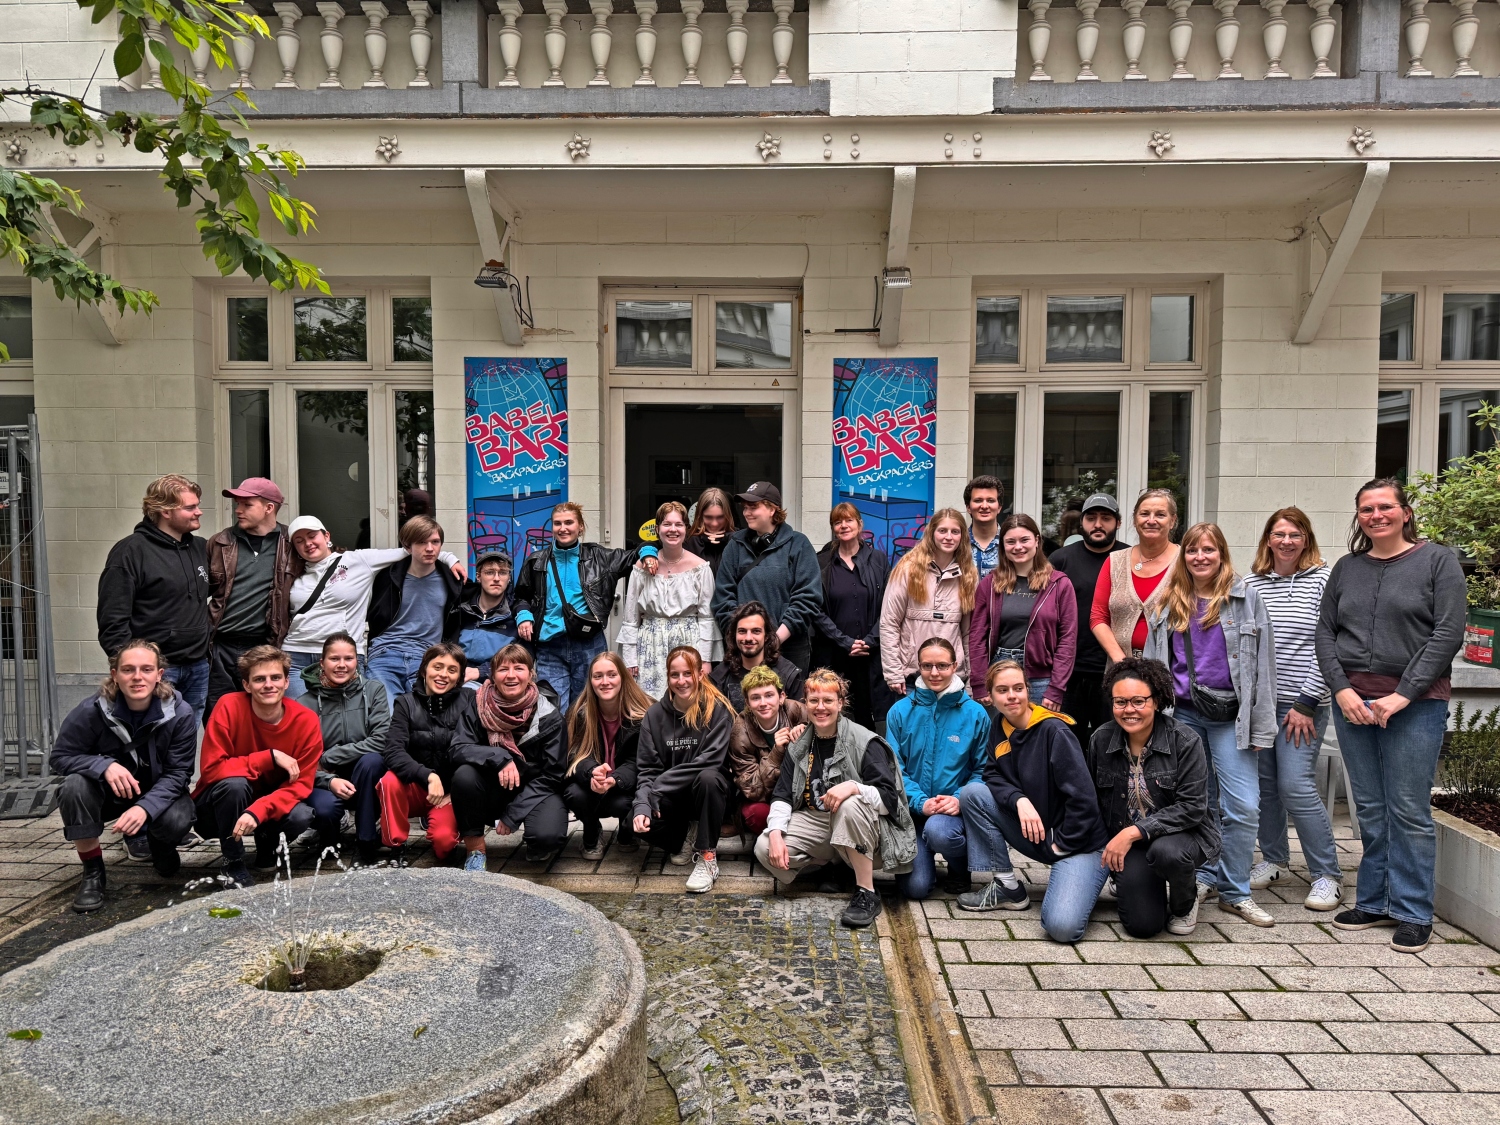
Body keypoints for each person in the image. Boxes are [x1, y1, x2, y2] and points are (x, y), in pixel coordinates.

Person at [1316, 478, 1467, 954]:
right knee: (1372, 808)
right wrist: (1341, 691)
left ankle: (1413, 910)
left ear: (1405, 512)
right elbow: (1325, 634)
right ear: (1358, 516)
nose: (1375, 515)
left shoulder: (1438, 561)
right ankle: (1376, 900)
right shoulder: (1347, 568)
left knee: (1409, 809)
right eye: (1366, 508)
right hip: (1354, 705)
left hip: (1415, 705)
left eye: (1385, 507)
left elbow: (1447, 634)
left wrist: (1402, 695)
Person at [1143, 522, 1278, 927]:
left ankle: (1234, 891)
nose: (1200, 557)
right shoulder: (1169, 600)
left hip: (1231, 717)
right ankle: (1202, 876)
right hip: (1181, 716)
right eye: (1192, 550)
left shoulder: (1245, 597)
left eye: (1209, 550)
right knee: (1199, 806)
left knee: (1242, 806)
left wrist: (1260, 725)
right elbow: (1154, 664)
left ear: (1221, 553)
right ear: (1183, 556)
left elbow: (1264, 667)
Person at [955, 662, 1109, 943]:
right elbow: (991, 773)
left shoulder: (1054, 731)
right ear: (990, 695)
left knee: (1062, 928)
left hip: (1079, 843)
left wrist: (1061, 843)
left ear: (1028, 690)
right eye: (1002, 690)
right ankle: (1007, 887)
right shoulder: (999, 725)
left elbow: (1085, 802)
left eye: (1018, 688)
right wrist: (1019, 800)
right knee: (973, 794)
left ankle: (1095, 876)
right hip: (1039, 831)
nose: (1011, 696)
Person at [755, 668, 917, 929]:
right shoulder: (800, 743)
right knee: (763, 847)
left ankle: (866, 892)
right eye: (814, 701)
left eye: (828, 701)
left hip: (868, 831)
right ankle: (833, 863)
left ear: (840, 703)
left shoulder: (864, 741)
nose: (821, 707)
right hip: (818, 822)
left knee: (849, 804)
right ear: (804, 704)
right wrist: (775, 833)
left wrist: (853, 787)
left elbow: (890, 801)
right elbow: (783, 793)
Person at [1244, 507, 1343, 911]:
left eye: (1295, 534)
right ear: (1268, 538)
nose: (1286, 541)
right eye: (1279, 534)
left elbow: (1331, 644)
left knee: (1296, 785)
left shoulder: (1323, 580)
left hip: (1303, 703)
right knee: (1266, 786)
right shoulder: (1251, 584)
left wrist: (1307, 701)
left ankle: (1327, 874)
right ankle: (1273, 859)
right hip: (1262, 704)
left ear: (1306, 539)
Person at [51, 640, 197, 912]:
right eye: (128, 670)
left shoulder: (180, 713)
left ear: (159, 675)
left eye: (146, 669)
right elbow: (60, 758)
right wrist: (102, 765)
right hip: (109, 793)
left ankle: (160, 845)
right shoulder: (90, 710)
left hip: (158, 791)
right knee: (73, 787)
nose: (138, 677)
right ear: (115, 675)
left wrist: (145, 808)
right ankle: (93, 873)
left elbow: (179, 774)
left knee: (178, 818)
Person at [1087, 657, 1220, 938]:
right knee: (1143, 926)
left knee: (1167, 854)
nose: (1129, 710)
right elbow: (1094, 800)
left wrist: (1134, 832)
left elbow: (1193, 807)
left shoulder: (1185, 740)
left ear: (1156, 701)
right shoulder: (1101, 739)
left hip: (1182, 835)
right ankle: (1143, 882)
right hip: (1132, 841)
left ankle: (1186, 901)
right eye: (1120, 702)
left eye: (1138, 701)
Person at [282, 514, 464, 701]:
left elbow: (412, 550)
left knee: (348, 715)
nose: (308, 543)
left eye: (312, 536)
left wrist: (449, 558)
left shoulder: (359, 560)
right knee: (300, 719)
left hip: (343, 654)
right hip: (297, 653)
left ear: (326, 536)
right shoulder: (290, 574)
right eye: (299, 541)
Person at [192, 645, 324, 887]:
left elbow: (301, 785)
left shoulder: (306, 721)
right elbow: (211, 769)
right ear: (246, 685)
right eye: (259, 679)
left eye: (276, 678)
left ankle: (268, 844)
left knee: (301, 815)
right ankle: (233, 861)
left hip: (267, 802)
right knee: (235, 785)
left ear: (286, 682)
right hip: (217, 805)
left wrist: (259, 810)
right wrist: (270, 756)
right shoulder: (228, 706)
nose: (268, 685)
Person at [513, 501, 658, 712]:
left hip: (589, 644)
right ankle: (560, 747)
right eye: (557, 523)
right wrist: (524, 615)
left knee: (588, 710)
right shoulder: (536, 561)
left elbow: (635, 553)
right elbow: (520, 596)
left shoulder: (600, 557)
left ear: (580, 526)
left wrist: (648, 554)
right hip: (550, 647)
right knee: (552, 710)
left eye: (569, 522)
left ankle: (585, 747)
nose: (563, 528)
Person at [97, 475, 212, 725]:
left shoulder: (200, 549)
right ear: (165, 512)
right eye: (190, 507)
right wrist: (135, 670)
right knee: (149, 742)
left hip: (198, 667)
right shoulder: (130, 552)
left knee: (185, 742)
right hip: (155, 671)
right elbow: (112, 620)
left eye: (197, 505)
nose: (199, 512)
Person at [886, 638, 990, 901]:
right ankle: (924, 864)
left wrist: (959, 798)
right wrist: (920, 803)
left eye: (942, 665)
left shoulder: (976, 714)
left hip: (950, 815)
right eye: (927, 666)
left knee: (939, 832)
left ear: (955, 666)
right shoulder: (899, 712)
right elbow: (893, 768)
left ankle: (959, 868)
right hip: (912, 812)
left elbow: (983, 770)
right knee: (915, 889)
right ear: (918, 666)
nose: (934, 673)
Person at [632, 646, 736, 894]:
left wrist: (660, 785)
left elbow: (710, 761)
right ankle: (686, 835)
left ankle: (707, 857)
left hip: (711, 794)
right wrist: (642, 804)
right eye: (674, 675)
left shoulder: (718, 709)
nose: (681, 681)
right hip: (674, 798)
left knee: (709, 778)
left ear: (700, 674)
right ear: (667, 676)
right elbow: (647, 769)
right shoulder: (655, 715)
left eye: (687, 673)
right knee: (632, 820)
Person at [459, 643, 570, 870]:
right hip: (492, 786)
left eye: (519, 668)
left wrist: (513, 814)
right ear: (492, 675)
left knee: (546, 837)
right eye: (503, 669)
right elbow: (458, 747)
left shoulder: (549, 716)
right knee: (464, 775)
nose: (511, 676)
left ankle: (536, 840)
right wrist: (499, 756)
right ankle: (475, 851)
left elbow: (553, 775)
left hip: (537, 788)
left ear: (531, 675)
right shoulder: (476, 704)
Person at [375, 642, 475, 865]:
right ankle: (396, 846)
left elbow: (474, 748)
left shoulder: (469, 700)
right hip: (415, 786)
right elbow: (392, 751)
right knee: (389, 781)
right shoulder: (406, 703)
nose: (443, 675)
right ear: (424, 670)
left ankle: (442, 832)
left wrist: (457, 791)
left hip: (449, 792)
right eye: (437, 667)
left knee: (444, 845)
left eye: (452, 670)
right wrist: (428, 776)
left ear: (459, 677)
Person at [205, 477, 296, 719]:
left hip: (264, 646)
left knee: (263, 717)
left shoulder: (291, 543)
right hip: (220, 646)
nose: (238, 510)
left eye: (247, 504)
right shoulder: (220, 542)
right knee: (218, 716)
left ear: (269, 508)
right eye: (237, 503)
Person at [711, 481, 823, 673]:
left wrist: (775, 640)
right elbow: (722, 599)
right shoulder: (734, 546)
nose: (747, 512)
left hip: (790, 649)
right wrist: (746, 638)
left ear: (772, 509)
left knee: (788, 702)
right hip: (744, 651)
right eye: (745, 508)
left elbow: (808, 599)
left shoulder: (799, 544)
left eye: (753, 507)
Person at [299, 631, 390, 864]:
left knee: (372, 761)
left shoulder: (373, 691)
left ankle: (366, 842)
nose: (342, 665)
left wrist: (330, 757)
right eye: (334, 659)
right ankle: (328, 839)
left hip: (364, 776)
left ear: (357, 661)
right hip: (325, 779)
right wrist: (327, 779)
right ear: (322, 662)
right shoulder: (304, 703)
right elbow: (303, 758)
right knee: (326, 809)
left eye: (348, 659)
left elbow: (381, 739)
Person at [969, 513, 1076, 709]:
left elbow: (1067, 640)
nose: (1018, 547)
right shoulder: (990, 584)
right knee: (1001, 736)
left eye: (1024, 539)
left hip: (1042, 679)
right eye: (1011, 542)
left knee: (1038, 737)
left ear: (1036, 541)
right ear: (1003, 546)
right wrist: (979, 682)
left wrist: (1057, 688)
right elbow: (977, 637)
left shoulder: (1059, 584)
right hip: (999, 674)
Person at [618, 501, 720, 698]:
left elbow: (707, 618)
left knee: (687, 702)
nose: (672, 529)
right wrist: (630, 659)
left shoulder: (700, 568)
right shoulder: (642, 567)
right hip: (649, 647)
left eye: (678, 524)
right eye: (666, 524)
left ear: (686, 529)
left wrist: (705, 660)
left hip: (689, 645)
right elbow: (630, 617)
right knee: (649, 705)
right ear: (657, 529)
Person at [1049, 493, 1128, 748]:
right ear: (1082, 522)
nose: (1098, 524)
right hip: (1068, 674)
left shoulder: (1129, 559)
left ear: (1118, 523)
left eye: (1106, 518)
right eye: (1091, 518)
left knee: (1113, 745)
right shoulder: (1060, 560)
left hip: (1113, 671)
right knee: (1068, 746)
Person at [365, 515, 466, 708]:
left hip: (427, 657)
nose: (430, 548)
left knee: (423, 715)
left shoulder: (452, 579)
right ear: (408, 546)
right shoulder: (387, 577)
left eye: (435, 542)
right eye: (421, 542)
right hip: (386, 652)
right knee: (387, 713)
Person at [813, 503, 896, 729]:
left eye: (849, 520)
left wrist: (869, 640)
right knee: (840, 716)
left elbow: (890, 605)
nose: (843, 525)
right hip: (836, 655)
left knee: (875, 720)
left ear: (860, 525)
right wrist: (844, 641)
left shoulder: (879, 560)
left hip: (873, 656)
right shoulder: (822, 563)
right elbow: (816, 610)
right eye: (838, 522)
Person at [564, 650, 651, 859]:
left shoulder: (643, 714)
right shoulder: (579, 712)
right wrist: (593, 772)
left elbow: (639, 762)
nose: (605, 682)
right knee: (573, 793)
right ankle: (592, 830)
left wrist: (614, 780)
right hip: (591, 784)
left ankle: (627, 831)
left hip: (624, 786)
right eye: (598, 676)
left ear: (623, 677)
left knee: (624, 803)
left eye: (612, 674)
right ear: (591, 681)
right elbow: (574, 755)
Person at [879, 508, 977, 694]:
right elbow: (889, 623)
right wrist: (893, 672)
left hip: (953, 677)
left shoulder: (969, 575)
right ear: (931, 533)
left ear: (962, 537)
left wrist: (973, 679)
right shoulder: (907, 569)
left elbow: (969, 633)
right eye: (942, 531)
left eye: (955, 532)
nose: (948, 537)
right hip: (912, 676)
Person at [1090, 488, 1180, 666]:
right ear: (1134, 519)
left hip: (1172, 672)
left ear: (1172, 521)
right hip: (1121, 673)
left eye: (1160, 514)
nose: (1151, 520)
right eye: (1144, 514)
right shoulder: (1115, 561)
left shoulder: (1185, 562)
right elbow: (1098, 616)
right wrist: (1120, 661)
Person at [729, 665, 807, 838]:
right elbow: (752, 789)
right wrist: (776, 753)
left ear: (781, 697)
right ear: (748, 703)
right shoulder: (740, 731)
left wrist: (808, 733)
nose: (763, 703)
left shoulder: (798, 711)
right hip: (766, 798)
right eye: (755, 698)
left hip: (802, 793)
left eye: (769, 695)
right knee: (757, 814)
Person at [709, 600, 806, 711]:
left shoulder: (788, 674)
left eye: (756, 631)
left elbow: (801, 719)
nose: (748, 638)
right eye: (742, 631)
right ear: (734, 635)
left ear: (766, 636)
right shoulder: (720, 676)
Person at [451, 551, 519, 688]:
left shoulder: (517, 616)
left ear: (509, 578)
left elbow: (522, 661)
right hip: (459, 680)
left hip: (501, 684)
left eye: (503, 573)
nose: (496, 578)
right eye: (489, 572)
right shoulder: (460, 611)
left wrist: (481, 671)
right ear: (478, 577)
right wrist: (449, 559)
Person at [684, 487, 737, 578]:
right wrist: (650, 550)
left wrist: (730, 538)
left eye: (720, 517)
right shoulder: (688, 541)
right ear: (700, 516)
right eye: (708, 517)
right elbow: (662, 544)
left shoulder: (740, 539)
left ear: (728, 515)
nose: (714, 524)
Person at [965, 475, 1004, 580]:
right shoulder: (957, 543)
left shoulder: (1010, 543)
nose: (984, 506)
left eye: (990, 500)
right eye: (978, 500)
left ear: (999, 507)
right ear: (968, 507)